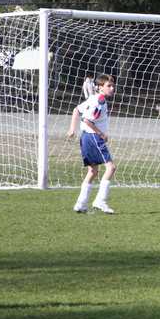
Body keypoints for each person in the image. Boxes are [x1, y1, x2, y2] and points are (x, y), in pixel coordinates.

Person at [66, 74, 118, 214]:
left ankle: (80, 204)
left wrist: (72, 129)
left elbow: (76, 110)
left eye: (113, 86)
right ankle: (100, 201)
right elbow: (87, 120)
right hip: (94, 137)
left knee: (93, 171)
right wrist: (101, 134)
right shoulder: (99, 101)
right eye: (109, 86)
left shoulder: (93, 98)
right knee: (111, 168)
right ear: (100, 87)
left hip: (85, 137)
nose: (112, 88)